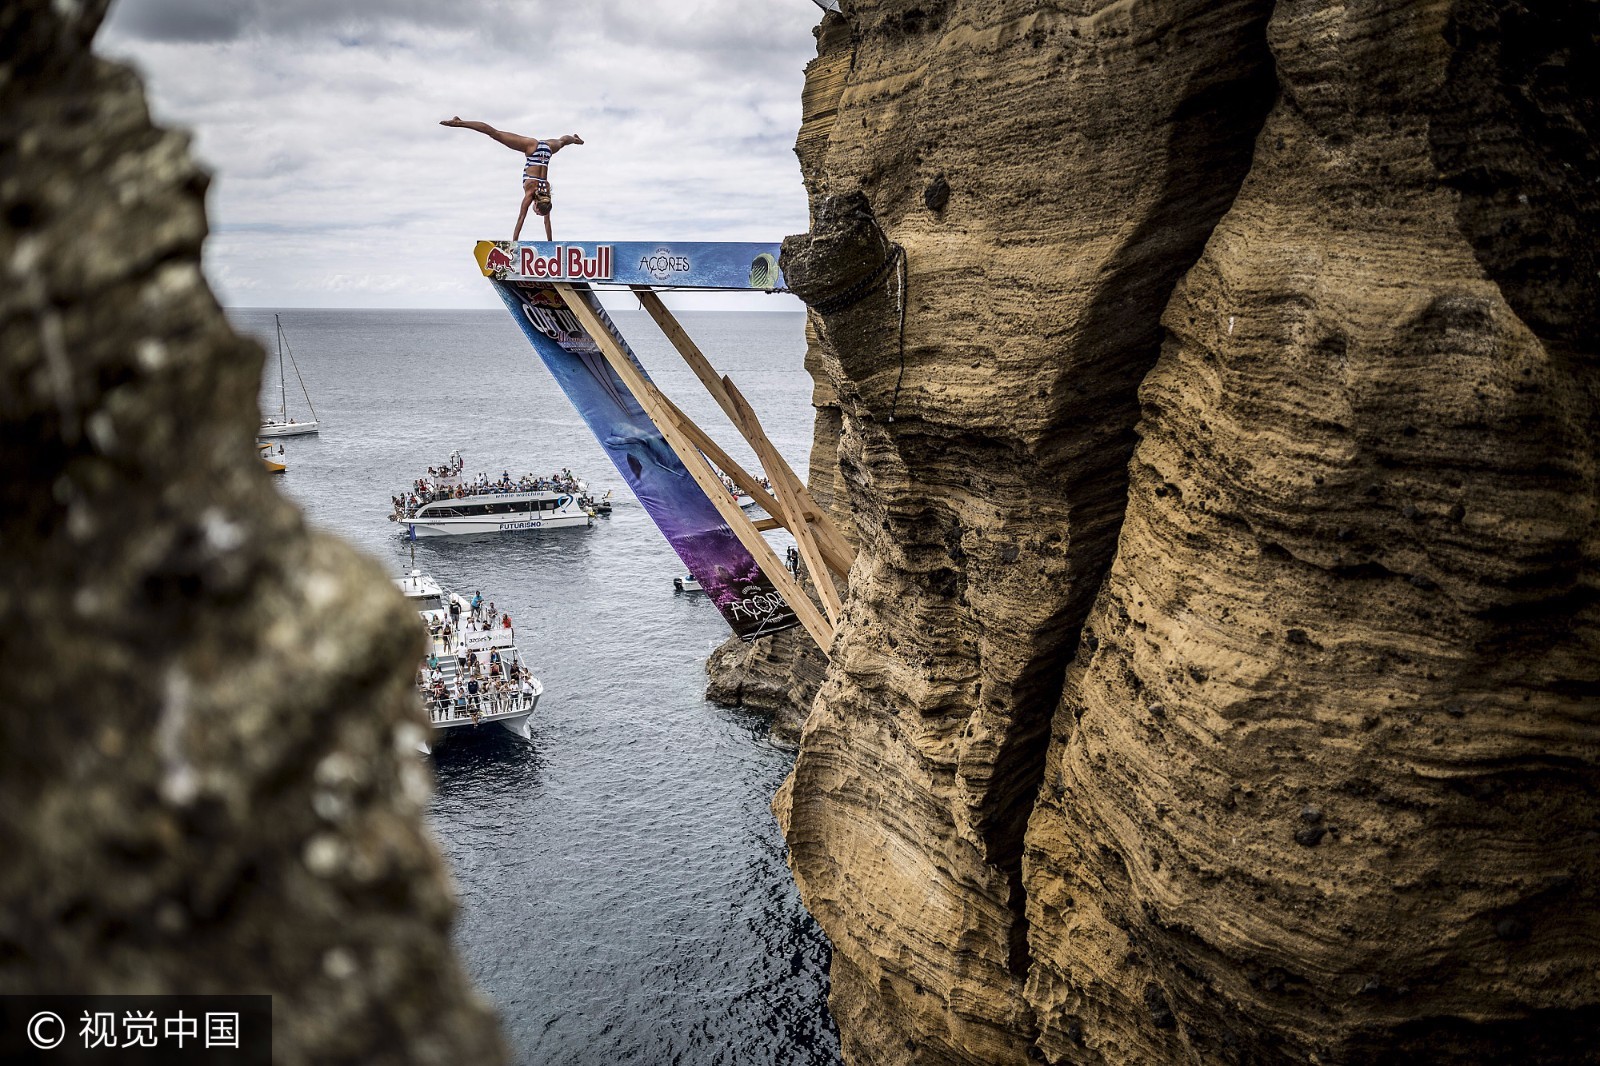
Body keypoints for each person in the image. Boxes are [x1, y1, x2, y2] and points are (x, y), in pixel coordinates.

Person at [441, 118, 584, 241]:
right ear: (536, 205)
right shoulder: (530, 193)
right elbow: (521, 218)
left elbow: (547, 221)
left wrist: (550, 243)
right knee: (495, 134)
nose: (536, 213)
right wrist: (514, 242)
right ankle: (459, 123)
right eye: (537, 212)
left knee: (562, 141)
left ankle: (575, 139)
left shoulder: (546, 195)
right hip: (532, 148)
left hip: (547, 149)